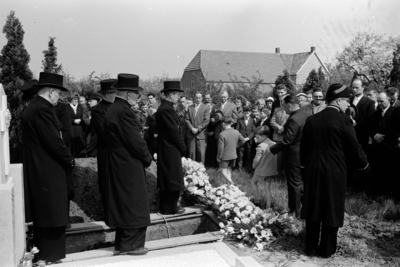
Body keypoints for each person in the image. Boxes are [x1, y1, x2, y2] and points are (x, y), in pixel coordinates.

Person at [300, 83, 369, 258]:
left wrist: (303, 168)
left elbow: (304, 147)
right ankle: (327, 249)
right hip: (334, 170)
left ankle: (310, 247)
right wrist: (365, 166)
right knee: (331, 206)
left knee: (314, 206)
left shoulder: (311, 119)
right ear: (338, 100)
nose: (348, 105)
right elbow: (354, 147)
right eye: (347, 101)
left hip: (313, 168)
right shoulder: (343, 120)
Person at [22, 72, 75, 264]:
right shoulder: (42, 110)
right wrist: (69, 160)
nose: (59, 97)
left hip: (41, 167)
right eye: (58, 93)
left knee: (47, 212)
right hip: (48, 168)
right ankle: (49, 255)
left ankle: (45, 254)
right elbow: (54, 141)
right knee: (51, 212)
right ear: (51, 91)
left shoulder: (36, 107)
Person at [103, 74, 152, 255]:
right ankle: (132, 245)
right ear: (128, 93)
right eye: (136, 94)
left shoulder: (113, 108)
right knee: (134, 204)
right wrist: (147, 158)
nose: (138, 98)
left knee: (125, 203)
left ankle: (123, 244)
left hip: (118, 163)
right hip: (128, 165)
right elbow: (136, 142)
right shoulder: (124, 111)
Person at [270, 95, 309, 217]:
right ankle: (305, 208)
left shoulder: (293, 119)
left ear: (290, 105)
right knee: (301, 182)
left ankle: (294, 211)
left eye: (284, 106)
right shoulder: (306, 114)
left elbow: (288, 140)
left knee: (293, 183)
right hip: (304, 153)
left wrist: (272, 149)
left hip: (293, 156)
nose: (283, 109)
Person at [156, 81, 187, 215]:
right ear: (171, 95)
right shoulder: (166, 109)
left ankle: (169, 206)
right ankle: (170, 208)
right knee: (171, 177)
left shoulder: (165, 107)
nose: (178, 98)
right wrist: (183, 147)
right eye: (177, 95)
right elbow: (174, 131)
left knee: (170, 176)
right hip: (170, 149)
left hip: (167, 148)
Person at [90, 79, 117, 204]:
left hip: (118, 152)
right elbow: (105, 133)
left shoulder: (117, 107)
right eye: (114, 92)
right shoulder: (98, 110)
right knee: (108, 183)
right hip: (107, 152)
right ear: (106, 95)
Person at [368, 92, 396, 195]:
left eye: (382, 101)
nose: (379, 103)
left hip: (390, 148)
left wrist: (383, 136)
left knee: (389, 173)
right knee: (377, 172)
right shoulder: (375, 114)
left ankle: (388, 194)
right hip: (377, 148)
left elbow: (396, 129)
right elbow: (370, 127)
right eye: (378, 101)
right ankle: (377, 193)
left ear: (389, 99)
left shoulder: (396, 112)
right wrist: (375, 135)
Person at [251, 126, 277, 208]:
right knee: (267, 188)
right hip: (271, 170)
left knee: (253, 182)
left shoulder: (261, 146)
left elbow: (257, 159)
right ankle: (268, 206)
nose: (256, 139)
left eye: (257, 137)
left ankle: (257, 200)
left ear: (264, 137)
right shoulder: (274, 144)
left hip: (261, 170)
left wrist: (253, 166)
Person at [217, 116, 246, 184]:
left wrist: (218, 157)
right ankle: (228, 185)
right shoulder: (236, 132)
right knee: (229, 170)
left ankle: (231, 182)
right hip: (233, 155)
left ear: (224, 123)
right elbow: (243, 141)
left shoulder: (222, 134)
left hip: (225, 156)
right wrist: (236, 146)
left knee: (223, 171)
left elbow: (220, 148)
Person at [185, 92, 210, 164]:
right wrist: (192, 128)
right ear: (194, 98)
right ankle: (191, 172)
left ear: (202, 98)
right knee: (191, 154)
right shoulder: (190, 107)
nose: (198, 99)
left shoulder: (206, 108)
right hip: (191, 134)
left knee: (201, 154)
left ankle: (201, 172)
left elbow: (206, 121)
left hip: (201, 134)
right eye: (197, 98)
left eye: (199, 98)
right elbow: (186, 119)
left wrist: (198, 129)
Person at [351, 79, 375, 152]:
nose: (354, 90)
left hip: (361, 136)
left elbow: (370, 121)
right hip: (348, 135)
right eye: (353, 87)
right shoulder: (348, 100)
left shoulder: (369, 102)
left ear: (363, 87)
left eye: (357, 87)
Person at [81, 93, 102, 157]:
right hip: (89, 131)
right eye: (88, 101)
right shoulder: (87, 109)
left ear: (97, 101)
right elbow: (85, 119)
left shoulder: (100, 109)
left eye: (91, 101)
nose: (89, 103)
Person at [235, 106, 254, 172]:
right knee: (240, 155)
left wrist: (248, 138)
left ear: (250, 113)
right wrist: (241, 138)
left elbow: (254, 131)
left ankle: (249, 169)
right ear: (243, 113)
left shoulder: (252, 120)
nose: (246, 115)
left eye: (247, 113)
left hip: (249, 141)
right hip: (241, 140)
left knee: (249, 155)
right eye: (245, 113)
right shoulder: (240, 120)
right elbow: (237, 130)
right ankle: (239, 168)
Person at [67, 93, 85, 157]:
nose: (76, 100)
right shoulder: (67, 107)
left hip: (79, 127)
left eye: (77, 99)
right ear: (70, 99)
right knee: (72, 140)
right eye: (74, 99)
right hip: (71, 126)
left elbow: (84, 116)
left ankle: (80, 153)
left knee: (79, 139)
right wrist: (73, 121)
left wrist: (81, 120)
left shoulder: (80, 107)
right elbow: (66, 118)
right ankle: (72, 154)